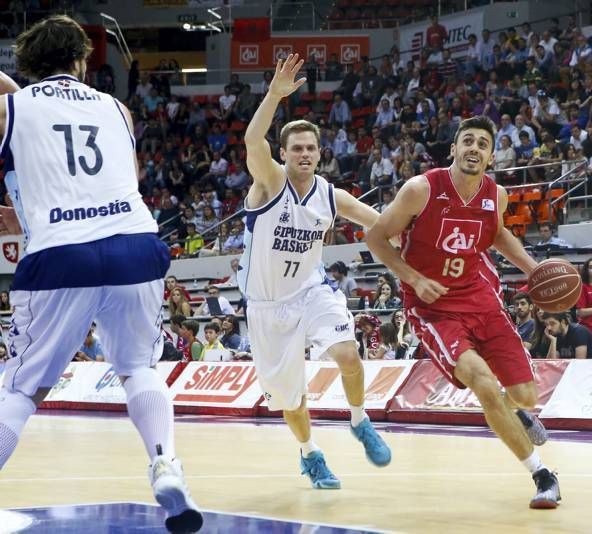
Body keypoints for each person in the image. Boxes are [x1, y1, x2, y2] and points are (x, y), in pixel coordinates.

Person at [0, 16, 201, 532]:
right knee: (138, 367)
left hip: (62, 253)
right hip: (134, 244)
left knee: (22, 388)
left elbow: (27, 127)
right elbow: (110, 175)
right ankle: (165, 464)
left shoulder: (12, 105)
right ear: (82, 60)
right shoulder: (117, 109)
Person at [366, 115, 561, 508]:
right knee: (485, 384)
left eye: (483, 144)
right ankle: (543, 474)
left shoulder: (496, 195)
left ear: (491, 156)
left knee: (524, 396)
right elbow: (376, 237)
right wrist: (413, 278)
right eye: (467, 141)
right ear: (453, 149)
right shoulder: (420, 189)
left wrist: (532, 268)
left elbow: (498, 233)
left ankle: (517, 414)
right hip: (434, 308)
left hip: (480, 299)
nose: (474, 148)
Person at [240, 54, 391, 490]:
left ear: (320, 154)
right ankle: (310, 454)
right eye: (297, 148)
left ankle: (360, 422)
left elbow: (379, 223)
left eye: (311, 148)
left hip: (311, 292)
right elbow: (253, 141)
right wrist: (273, 94)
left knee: (348, 355)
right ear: (284, 154)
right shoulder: (268, 182)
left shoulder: (331, 194)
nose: (305, 154)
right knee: (292, 399)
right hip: (267, 306)